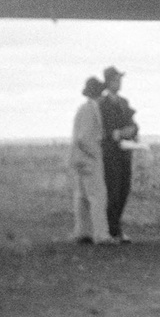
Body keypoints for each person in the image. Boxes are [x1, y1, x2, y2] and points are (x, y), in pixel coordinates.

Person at [67, 77, 113, 245]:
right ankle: (101, 235)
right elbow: (84, 138)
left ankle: (82, 232)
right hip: (89, 159)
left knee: (82, 197)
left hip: (79, 159)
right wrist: (96, 154)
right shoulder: (90, 110)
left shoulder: (83, 108)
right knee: (97, 197)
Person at [99, 65, 140, 244]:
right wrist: (116, 134)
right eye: (116, 79)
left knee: (124, 190)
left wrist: (132, 130)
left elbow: (133, 123)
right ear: (108, 82)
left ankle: (116, 228)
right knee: (112, 192)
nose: (119, 83)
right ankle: (112, 230)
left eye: (120, 79)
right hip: (109, 154)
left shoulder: (124, 102)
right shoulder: (101, 105)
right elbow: (100, 130)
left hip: (125, 153)